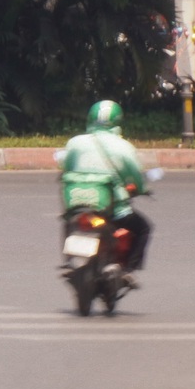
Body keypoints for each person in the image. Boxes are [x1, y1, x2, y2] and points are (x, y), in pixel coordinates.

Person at [57, 99, 153, 272]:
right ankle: (127, 272)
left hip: (77, 203)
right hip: (111, 209)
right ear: (118, 122)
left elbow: (66, 168)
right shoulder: (124, 147)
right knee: (144, 228)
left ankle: (69, 259)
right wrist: (140, 189)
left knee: (68, 222)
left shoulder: (75, 143)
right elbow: (136, 178)